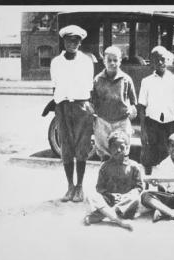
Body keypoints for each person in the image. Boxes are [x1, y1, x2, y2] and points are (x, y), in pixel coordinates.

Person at [50, 25, 95, 202]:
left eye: (76, 40)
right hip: (62, 107)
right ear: (64, 41)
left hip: (81, 107)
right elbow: (55, 86)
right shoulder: (56, 62)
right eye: (70, 40)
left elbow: (89, 89)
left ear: (80, 42)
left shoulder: (86, 61)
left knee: (82, 148)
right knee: (66, 148)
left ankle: (80, 186)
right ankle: (69, 186)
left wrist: (88, 109)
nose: (73, 43)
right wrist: (58, 105)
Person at [84, 130, 143, 231]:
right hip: (109, 200)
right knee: (91, 196)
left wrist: (126, 196)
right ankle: (118, 220)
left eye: (122, 147)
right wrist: (109, 195)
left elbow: (139, 187)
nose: (118, 150)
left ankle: (104, 214)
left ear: (127, 148)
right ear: (109, 149)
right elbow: (99, 188)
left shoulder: (134, 167)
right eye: (114, 147)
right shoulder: (105, 167)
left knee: (136, 198)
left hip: (125, 204)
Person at [138, 46, 174, 175]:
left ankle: (165, 188)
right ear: (151, 62)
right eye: (156, 59)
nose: (160, 62)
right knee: (149, 157)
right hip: (152, 124)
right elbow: (142, 107)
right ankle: (147, 185)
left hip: (170, 125)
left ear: (167, 60)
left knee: (168, 157)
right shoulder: (146, 82)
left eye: (163, 59)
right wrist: (143, 130)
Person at [91, 45, 137, 161]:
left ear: (120, 61)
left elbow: (133, 102)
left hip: (121, 122)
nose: (112, 63)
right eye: (109, 60)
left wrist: (132, 110)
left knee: (122, 154)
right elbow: (93, 101)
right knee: (104, 155)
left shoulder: (126, 79)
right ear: (104, 61)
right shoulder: (97, 80)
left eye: (115, 60)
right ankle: (105, 177)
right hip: (103, 123)